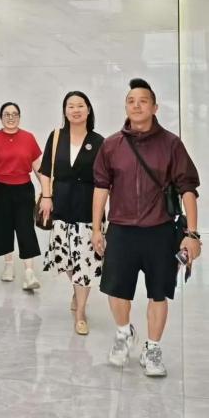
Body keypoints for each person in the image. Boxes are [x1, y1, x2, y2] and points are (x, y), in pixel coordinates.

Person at [92, 78, 201, 377]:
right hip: (121, 230)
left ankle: (152, 349)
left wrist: (192, 234)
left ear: (155, 107)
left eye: (143, 101)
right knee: (116, 291)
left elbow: (188, 189)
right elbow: (101, 187)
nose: (136, 106)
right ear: (125, 106)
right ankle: (123, 332)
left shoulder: (171, 144)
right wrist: (97, 228)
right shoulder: (111, 145)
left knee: (158, 294)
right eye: (131, 101)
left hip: (160, 232)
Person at [39, 91, 104, 335]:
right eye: (70, 106)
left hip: (88, 208)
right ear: (65, 111)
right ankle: (77, 290)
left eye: (80, 105)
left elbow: (105, 181)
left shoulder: (99, 141)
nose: (75, 110)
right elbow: (45, 171)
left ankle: (81, 312)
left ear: (88, 110)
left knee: (85, 261)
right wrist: (46, 197)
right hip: (62, 207)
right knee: (65, 259)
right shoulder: (56, 136)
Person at [0, 102, 42, 290]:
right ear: (1, 118)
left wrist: (47, 189)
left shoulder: (28, 138)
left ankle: (29, 272)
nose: (11, 117)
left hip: (24, 189)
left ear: (19, 117)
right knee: (4, 227)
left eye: (14, 114)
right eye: (6, 114)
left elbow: (38, 165)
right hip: (1, 188)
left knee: (25, 228)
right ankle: (8, 266)